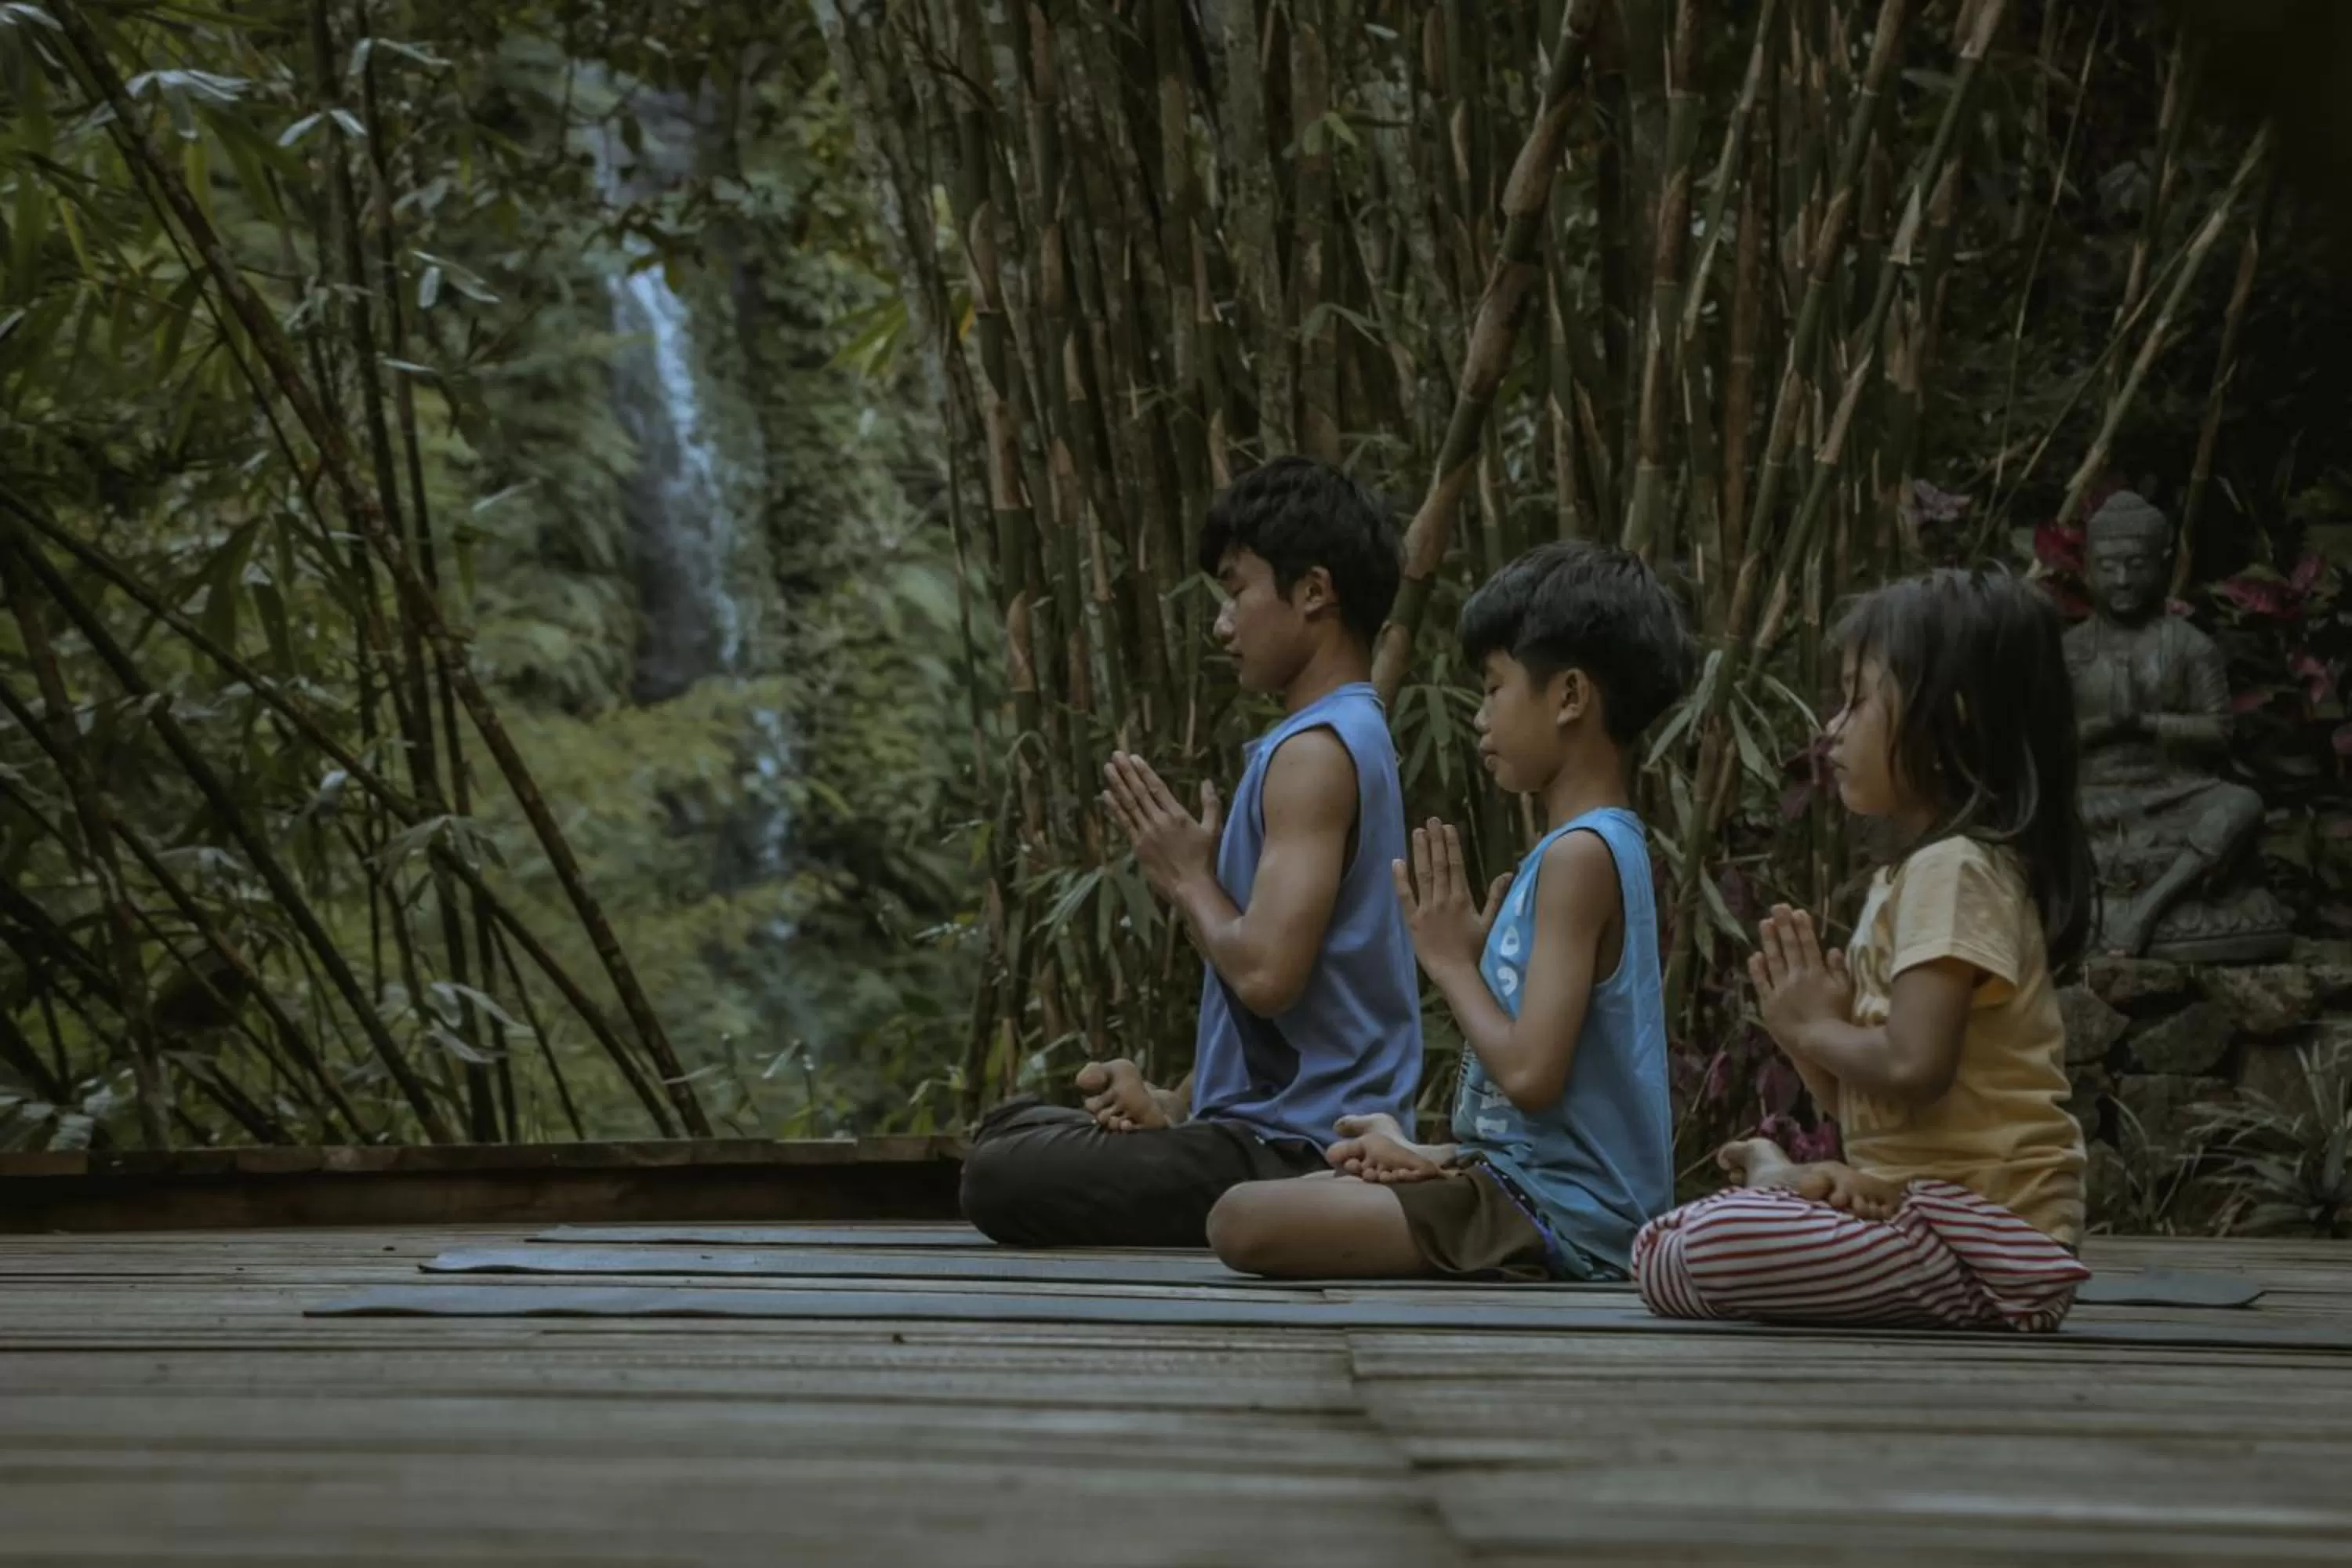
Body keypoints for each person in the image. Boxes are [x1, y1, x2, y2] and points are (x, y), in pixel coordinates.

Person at [956, 456, 1421, 1248]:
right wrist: (1171, 1106)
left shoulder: (1317, 752)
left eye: (1237, 589)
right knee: (1009, 1126)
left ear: (1314, 591)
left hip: (1302, 1151)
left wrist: (1186, 877)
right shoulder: (1327, 739)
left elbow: (1270, 976)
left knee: (999, 1172)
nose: (1222, 623)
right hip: (1260, 1131)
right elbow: (1291, 1026)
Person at [1206, 541, 1689, 1281]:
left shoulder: (1581, 858)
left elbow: (1531, 1074)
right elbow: (1539, 1110)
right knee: (1294, 1194)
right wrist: (1431, 1155)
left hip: (1563, 1216)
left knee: (1243, 1218)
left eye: (1494, 688)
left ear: (1568, 697)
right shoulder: (1578, 851)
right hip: (1523, 1189)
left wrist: (1452, 963)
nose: (1481, 717)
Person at [1634, 567, 2098, 1331]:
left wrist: (1819, 1027)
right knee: (1666, 1248)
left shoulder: (1955, 872)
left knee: (1690, 1245)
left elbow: (1915, 1068)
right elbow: (1870, 1106)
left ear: (1949, 713)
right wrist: (1802, 1032)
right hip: (1922, 1211)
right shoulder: (1912, 876)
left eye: (1855, 699)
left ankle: (1785, 1187)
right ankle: (1795, 1185)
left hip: (1988, 1240)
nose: (1832, 728)